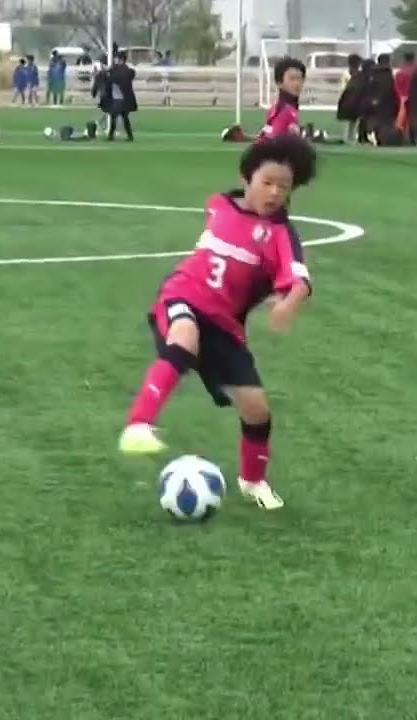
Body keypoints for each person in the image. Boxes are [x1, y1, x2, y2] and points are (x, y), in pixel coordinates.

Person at [118, 136, 319, 511]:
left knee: (256, 409)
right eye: (267, 182)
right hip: (181, 296)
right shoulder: (221, 204)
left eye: (284, 187)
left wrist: (288, 304)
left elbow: (300, 281)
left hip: (225, 326)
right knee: (184, 336)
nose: (274, 193)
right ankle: (139, 424)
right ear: (247, 179)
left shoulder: (280, 235)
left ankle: (253, 481)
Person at [103, 50, 138, 141]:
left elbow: (112, 78)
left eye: (117, 59)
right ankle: (129, 136)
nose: (115, 60)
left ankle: (111, 136)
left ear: (121, 60)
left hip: (118, 98)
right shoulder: (125, 70)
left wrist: (108, 71)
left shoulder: (119, 71)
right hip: (123, 98)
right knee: (124, 118)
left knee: (114, 117)